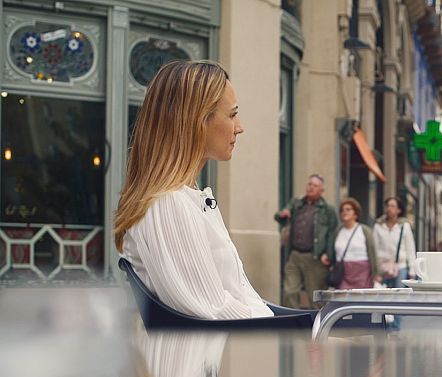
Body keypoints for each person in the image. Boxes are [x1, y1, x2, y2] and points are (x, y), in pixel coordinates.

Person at [114, 60, 273, 320]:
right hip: (224, 357)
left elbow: (233, 301)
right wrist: (301, 337)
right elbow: (215, 313)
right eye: (232, 114)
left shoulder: (186, 200)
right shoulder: (168, 205)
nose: (240, 127)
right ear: (196, 120)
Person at [275, 174, 338, 309]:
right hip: (295, 255)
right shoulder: (297, 203)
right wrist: (283, 214)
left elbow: (333, 233)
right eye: (309, 184)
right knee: (289, 291)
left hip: (315, 258)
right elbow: (279, 217)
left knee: (315, 297)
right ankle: (292, 323)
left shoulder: (328, 210)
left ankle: (320, 325)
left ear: (322, 190)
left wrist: (328, 254)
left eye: (315, 186)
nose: (311, 188)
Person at [332, 197, 378, 289]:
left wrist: (376, 274)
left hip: (362, 272)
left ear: (355, 214)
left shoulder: (364, 230)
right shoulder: (338, 231)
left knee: (361, 300)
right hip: (343, 272)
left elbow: (372, 253)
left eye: (348, 209)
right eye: (342, 210)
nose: (344, 212)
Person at [373, 196, 417, 287]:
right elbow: (375, 249)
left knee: (399, 297)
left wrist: (412, 270)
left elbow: (410, 249)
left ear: (399, 210)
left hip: (400, 267)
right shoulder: (378, 226)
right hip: (383, 268)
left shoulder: (404, 226)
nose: (389, 208)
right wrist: (375, 271)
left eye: (393, 206)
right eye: (388, 206)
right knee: (383, 297)